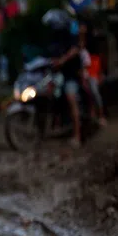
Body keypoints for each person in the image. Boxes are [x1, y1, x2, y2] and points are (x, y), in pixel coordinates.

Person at [43, 9, 84, 147]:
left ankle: (77, 136)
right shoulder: (52, 39)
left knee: (72, 100)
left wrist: (63, 60)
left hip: (70, 74)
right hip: (56, 75)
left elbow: (75, 50)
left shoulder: (70, 37)